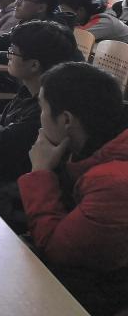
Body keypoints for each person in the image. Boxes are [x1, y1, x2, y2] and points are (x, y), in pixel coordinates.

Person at [18, 62, 128, 316]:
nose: (40, 119)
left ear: (66, 120)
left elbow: (55, 248)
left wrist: (40, 173)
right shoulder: (91, 145)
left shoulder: (114, 185)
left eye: (42, 108)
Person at [0, 20, 76, 230]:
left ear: (34, 65)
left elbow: (0, 146)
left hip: (11, 196)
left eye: (12, 52)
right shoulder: (27, 91)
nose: (8, 55)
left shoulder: (46, 110)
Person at [59, 0, 128, 44]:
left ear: (81, 10)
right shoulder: (88, 16)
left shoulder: (104, 21)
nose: (64, 16)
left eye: (67, 13)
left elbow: (76, 37)